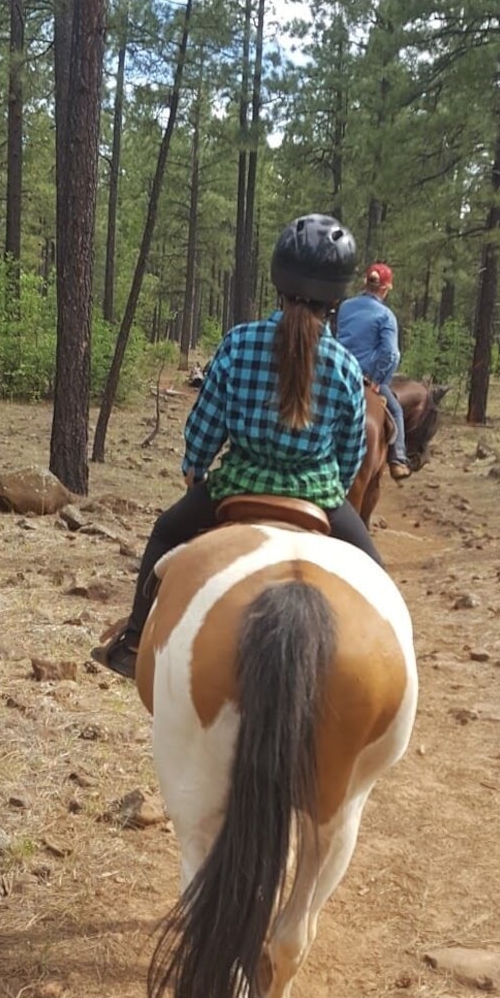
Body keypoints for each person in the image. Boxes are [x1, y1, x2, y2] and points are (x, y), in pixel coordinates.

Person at [91, 214, 382, 681]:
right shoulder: (347, 367)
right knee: (377, 578)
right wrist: (330, 491)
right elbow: (351, 457)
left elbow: (204, 428)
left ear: (278, 280)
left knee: (165, 532)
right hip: (320, 498)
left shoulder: (239, 342)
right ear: (337, 295)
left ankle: (132, 641)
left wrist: (195, 470)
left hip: (237, 486)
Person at [335, 261, 411, 479]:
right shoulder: (386, 316)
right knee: (395, 410)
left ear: (365, 283)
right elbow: (391, 353)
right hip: (366, 378)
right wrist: (378, 380)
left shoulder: (346, 306)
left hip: (340, 374)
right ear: (385, 288)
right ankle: (398, 458)